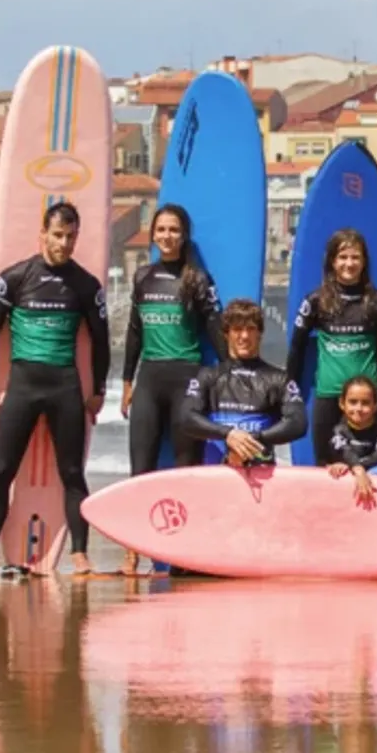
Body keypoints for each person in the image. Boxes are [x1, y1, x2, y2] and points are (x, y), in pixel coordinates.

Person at [0, 202, 109, 576]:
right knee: (2, 471)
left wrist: (98, 389)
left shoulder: (86, 285)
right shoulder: (15, 278)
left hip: (65, 386)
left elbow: (101, 341)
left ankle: (80, 554)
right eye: (57, 235)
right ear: (43, 234)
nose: (64, 244)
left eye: (70, 237)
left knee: (72, 473)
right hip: (21, 387)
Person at [119, 203, 222, 574]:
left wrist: (229, 375)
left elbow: (215, 329)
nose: (167, 236)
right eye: (161, 230)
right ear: (153, 235)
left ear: (184, 235)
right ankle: (132, 549)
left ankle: (181, 551)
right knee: (141, 468)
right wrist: (127, 381)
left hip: (187, 378)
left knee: (184, 469)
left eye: (174, 230)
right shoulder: (143, 277)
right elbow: (135, 332)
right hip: (150, 379)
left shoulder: (197, 280)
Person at [285, 228, 377, 464]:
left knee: (372, 469)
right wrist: (289, 391)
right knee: (326, 468)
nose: (349, 264)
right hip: (329, 397)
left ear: (364, 262)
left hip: (367, 400)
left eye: (355, 257)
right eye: (343, 257)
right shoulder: (316, 301)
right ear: (332, 261)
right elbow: (297, 350)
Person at [177, 299, 307, 469]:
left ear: (260, 333)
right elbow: (186, 417)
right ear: (226, 334)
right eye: (237, 329)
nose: (244, 336)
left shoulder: (279, 379)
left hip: (262, 475)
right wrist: (228, 434)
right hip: (217, 476)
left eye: (251, 329)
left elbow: (298, 422)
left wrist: (253, 439)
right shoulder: (208, 376)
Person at [326, 375, 377, 506]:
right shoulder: (337, 430)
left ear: (376, 405)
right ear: (342, 403)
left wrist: (352, 467)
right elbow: (344, 451)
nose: (358, 408)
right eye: (353, 402)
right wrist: (355, 469)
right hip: (343, 498)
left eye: (365, 403)